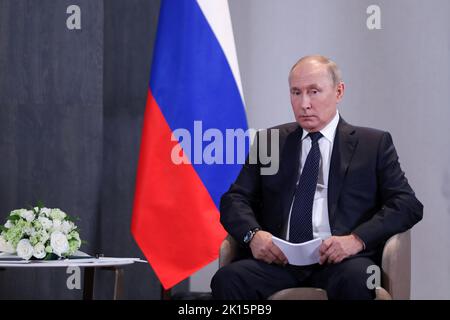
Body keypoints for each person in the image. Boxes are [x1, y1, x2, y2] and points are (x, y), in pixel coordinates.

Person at [211, 55, 423, 300]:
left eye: (314, 91)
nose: (304, 104)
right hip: (279, 262)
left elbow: (407, 205)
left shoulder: (372, 145)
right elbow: (234, 199)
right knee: (228, 279)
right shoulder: (270, 142)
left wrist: (356, 240)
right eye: (296, 92)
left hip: (344, 262)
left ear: (339, 92)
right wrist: (253, 235)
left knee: (358, 279)